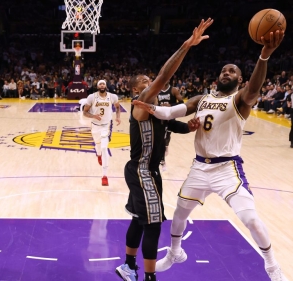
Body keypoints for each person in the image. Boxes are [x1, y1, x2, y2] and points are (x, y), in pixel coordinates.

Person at [133, 30, 288, 281]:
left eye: (232, 71)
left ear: (239, 79)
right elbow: (170, 112)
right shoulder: (202, 99)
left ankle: (272, 265)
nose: (226, 73)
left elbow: (254, 89)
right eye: (224, 70)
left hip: (227, 169)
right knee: (180, 214)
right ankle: (175, 253)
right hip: (199, 168)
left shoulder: (240, 100)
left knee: (251, 219)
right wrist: (148, 107)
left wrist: (264, 56)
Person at [114, 18, 213, 281]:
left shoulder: (156, 112)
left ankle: (127, 266)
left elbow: (169, 125)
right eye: (146, 82)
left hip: (148, 172)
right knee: (154, 223)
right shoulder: (140, 104)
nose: (153, 84)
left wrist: (189, 128)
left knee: (138, 218)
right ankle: (149, 277)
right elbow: (164, 76)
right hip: (141, 171)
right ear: (138, 91)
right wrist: (186, 45)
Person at [83, 80, 121, 186]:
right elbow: (85, 112)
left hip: (106, 126)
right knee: (98, 145)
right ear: (97, 86)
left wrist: (118, 117)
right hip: (95, 125)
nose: (102, 85)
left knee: (105, 148)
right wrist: (94, 116)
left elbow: (118, 107)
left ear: (106, 86)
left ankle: (104, 176)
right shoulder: (92, 97)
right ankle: (98, 154)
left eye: (103, 83)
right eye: (100, 84)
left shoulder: (112, 96)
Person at [157, 80, 184, 170]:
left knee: (166, 137)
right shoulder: (156, 89)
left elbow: (181, 103)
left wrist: (171, 105)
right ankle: (162, 160)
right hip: (159, 116)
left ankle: (166, 147)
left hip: (170, 117)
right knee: (160, 138)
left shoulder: (174, 90)